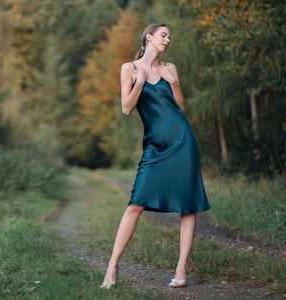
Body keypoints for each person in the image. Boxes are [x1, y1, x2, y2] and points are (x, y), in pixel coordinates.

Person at [100, 23, 211, 289]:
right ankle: (112, 266)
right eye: (163, 35)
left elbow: (181, 107)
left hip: (182, 142)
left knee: (187, 204)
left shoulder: (170, 69)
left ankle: (181, 269)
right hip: (154, 146)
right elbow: (127, 107)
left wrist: (173, 83)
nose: (168, 40)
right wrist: (140, 82)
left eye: (170, 37)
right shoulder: (129, 69)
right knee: (136, 202)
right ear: (149, 37)